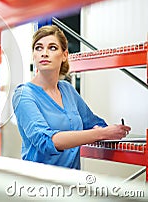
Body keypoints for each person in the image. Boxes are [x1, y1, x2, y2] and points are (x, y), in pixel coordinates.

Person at [12, 25, 131, 169]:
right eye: (38, 48)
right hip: (38, 184)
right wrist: (101, 133)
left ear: (64, 55)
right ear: (33, 55)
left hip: (71, 182)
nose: (44, 53)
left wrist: (111, 130)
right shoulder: (24, 94)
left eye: (52, 48)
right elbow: (46, 141)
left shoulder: (67, 90)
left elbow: (92, 122)